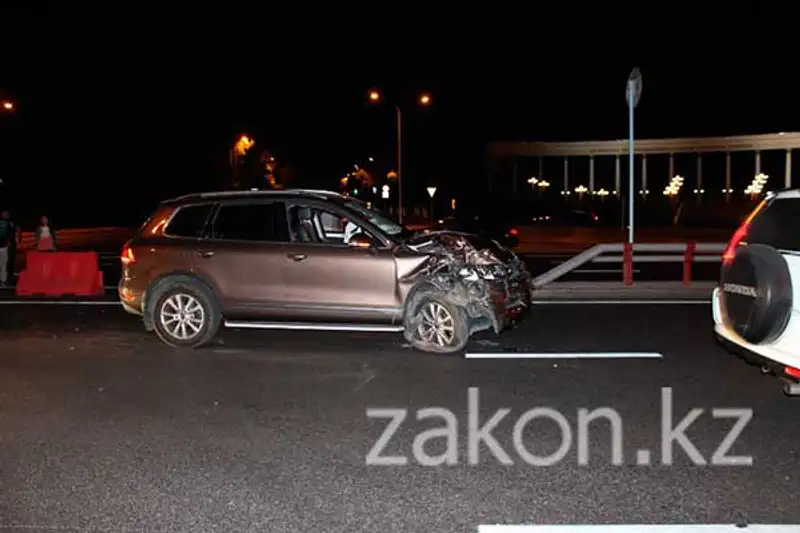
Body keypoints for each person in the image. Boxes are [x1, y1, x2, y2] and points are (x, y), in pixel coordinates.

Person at [0, 211, 10, 287]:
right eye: (4, 214)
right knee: (2, 264)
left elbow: (9, 235)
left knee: (3, 264)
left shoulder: (8, 224)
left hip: (4, 247)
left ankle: (3, 282)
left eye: (6, 215)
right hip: (3, 246)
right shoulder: (7, 224)